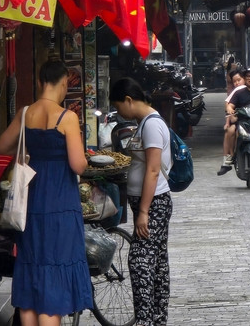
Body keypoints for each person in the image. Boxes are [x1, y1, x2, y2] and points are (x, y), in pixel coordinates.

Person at [0, 59, 92, 325]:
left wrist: (29, 151)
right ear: (63, 83)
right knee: (54, 278)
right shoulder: (67, 117)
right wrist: (85, 160)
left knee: (32, 270)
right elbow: (77, 165)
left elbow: (2, 146)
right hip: (60, 201)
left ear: (40, 82)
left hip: (31, 201)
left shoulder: (26, 113)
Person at [110, 77, 174, 326]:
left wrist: (144, 211)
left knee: (140, 262)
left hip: (154, 204)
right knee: (156, 263)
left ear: (128, 100)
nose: (119, 112)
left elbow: (153, 170)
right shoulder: (144, 123)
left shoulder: (151, 125)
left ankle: (147, 320)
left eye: (118, 107)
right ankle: (156, 319)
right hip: (150, 203)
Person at [219, 69, 247, 175]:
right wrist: (228, 121)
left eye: (239, 80)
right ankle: (229, 157)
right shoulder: (236, 91)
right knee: (230, 132)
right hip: (239, 119)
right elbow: (228, 105)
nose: (237, 83)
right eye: (234, 81)